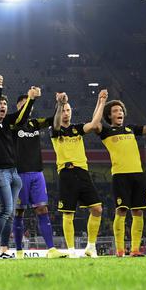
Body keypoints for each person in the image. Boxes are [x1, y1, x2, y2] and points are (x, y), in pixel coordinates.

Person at [97, 95, 146, 257]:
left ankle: (134, 249)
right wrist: (101, 102)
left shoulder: (131, 129)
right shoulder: (106, 131)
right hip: (120, 175)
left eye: (120, 110)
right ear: (109, 115)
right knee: (122, 210)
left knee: (138, 212)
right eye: (115, 111)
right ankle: (119, 250)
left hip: (138, 174)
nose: (119, 113)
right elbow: (95, 123)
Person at [0, 76, 37, 258]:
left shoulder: (9, 123)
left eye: (5, 104)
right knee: (5, 210)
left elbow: (23, 115)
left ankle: (4, 249)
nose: (3, 106)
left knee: (10, 213)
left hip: (14, 173)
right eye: (0, 104)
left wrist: (31, 99)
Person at [50, 90, 107, 256]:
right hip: (66, 173)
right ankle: (71, 250)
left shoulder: (77, 128)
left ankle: (91, 246)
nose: (66, 113)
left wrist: (101, 101)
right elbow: (55, 123)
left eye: (68, 110)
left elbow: (95, 123)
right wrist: (60, 104)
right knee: (68, 213)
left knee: (97, 209)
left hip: (83, 172)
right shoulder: (55, 130)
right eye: (63, 110)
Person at [11, 91, 61, 257]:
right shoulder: (12, 124)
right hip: (19, 174)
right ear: (18, 107)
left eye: (28, 104)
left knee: (42, 209)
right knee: (19, 212)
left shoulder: (34, 124)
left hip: (37, 173)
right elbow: (21, 115)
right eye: (23, 104)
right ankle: (19, 250)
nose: (27, 107)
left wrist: (59, 104)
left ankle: (51, 249)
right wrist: (30, 100)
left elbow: (52, 120)